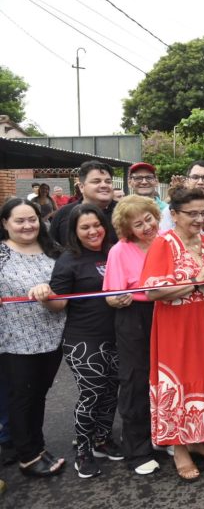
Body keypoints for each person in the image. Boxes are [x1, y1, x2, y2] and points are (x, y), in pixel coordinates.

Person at [141, 187, 204, 482]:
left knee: (203, 377)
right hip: (175, 326)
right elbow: (152, 291)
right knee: (178, 382)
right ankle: (179, 449)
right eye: (192, 214)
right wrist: (195, 280)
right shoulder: (163, 243)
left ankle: (198, 438)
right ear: (174, 214)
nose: (200, 218)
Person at [46, 204, 121, 479]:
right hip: (83, 340)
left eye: (97, 225)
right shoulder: (68, 260)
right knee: (92, 394)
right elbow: (59, 304)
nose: (93, 231)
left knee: (112, 390)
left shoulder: (112, 251)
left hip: (115, 336)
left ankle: (102, 439)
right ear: (75, 232)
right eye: (85, 227)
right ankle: (83, 449)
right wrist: (47, 296)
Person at [0, 198, 66, 477]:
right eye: (19, 220)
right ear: (5, 224)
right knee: (21, 397)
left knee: (39, 394)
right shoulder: (1, 254)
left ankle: (37, 446)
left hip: (52, 337)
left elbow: (63, 293)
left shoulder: (53, 251)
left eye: (32, 220)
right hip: (14, 340)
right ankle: (27, 457)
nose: (28, 226)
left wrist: (49, 295)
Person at [102, 195, 163, 475]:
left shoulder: (166, 240)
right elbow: (111, 295)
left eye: (149, 218)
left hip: (168, 312)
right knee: (136, 380)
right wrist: (117, 299)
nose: (147, 226)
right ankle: (137, 449)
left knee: (167, 377)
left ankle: (166, 436)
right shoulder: (119, 250)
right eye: (138, 224)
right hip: (135, 317)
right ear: (127, 229)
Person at [50, 161, 117, 247]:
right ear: (81, 187)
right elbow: (51, 247)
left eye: (108, 181)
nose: (104, 185)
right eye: (96, 181)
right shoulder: (64, 213)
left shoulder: (126, 213)